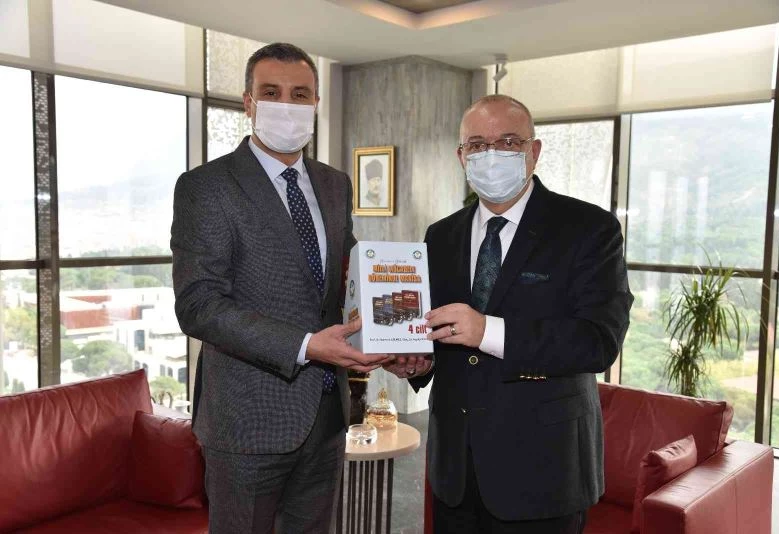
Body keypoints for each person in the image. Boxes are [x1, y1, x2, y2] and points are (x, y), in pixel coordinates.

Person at [384, 94, 633, 534]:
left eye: (509, 142)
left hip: (545, 470)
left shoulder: (588, 229)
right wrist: (419, 363)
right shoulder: (441, 235)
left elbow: (598, 342)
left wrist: (487, 331)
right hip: (455, 469)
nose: (492, 154)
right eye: (478, 145)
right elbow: (440, 332)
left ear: (534, 151)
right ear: (461, 157)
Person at [171, 43, 390, 534]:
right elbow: (199, 305)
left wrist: (391, 332)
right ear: (248, 102)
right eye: (271, 93)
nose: (287, 105)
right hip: (247, 421)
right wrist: (306, 345)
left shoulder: (334, 184)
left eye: (300, 94)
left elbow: (347, 275)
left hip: (326, 416)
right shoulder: (207, 186)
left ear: (316, 103)